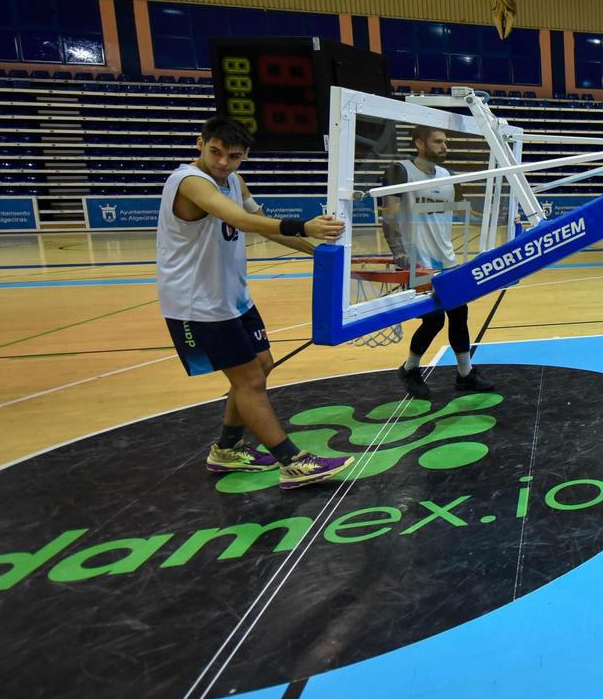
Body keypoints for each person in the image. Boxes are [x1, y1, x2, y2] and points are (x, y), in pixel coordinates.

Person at [159, 116, 355, 489]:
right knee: (249, 380)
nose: (222, 162)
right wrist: (304, 225)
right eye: (215, 152)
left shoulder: (234, 180)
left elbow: (258, 219)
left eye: (232, 156)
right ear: (200, 144)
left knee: (262, 364)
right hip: (196, 301)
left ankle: (228, 449)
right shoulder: (188, 181)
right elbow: (239, 220)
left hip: (231, 295)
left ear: (244, 156)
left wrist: (321, 253)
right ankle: (293, 462)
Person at [383, 125, 496, 399]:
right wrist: (398, 252)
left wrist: (503, 219)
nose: (445, 146)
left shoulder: (448, 175)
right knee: (433, 321)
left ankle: (465, 374)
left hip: (447, 259)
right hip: (418, 263)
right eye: (438, 142)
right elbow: (388, 216)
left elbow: (467, 210)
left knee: (459, 315)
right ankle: (409, 369)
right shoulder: (401, 170)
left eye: (445, 142)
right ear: (419, 143)